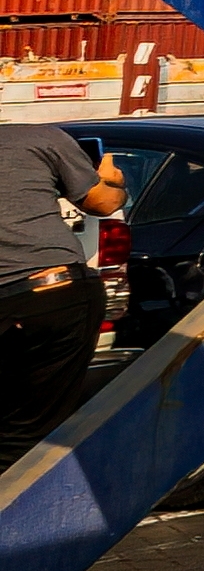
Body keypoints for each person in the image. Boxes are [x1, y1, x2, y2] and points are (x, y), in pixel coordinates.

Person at [0, 111, 116, 456]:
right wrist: (113, 180)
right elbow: (102, 203)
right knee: (33, 435)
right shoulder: (39, 138)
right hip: (55, 293)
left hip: (21, 300)